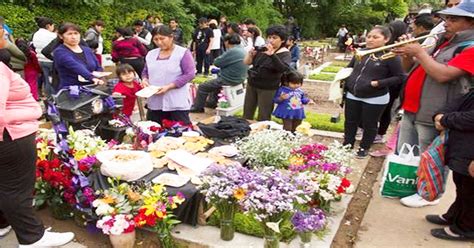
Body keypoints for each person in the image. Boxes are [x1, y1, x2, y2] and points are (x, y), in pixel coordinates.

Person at [393, 0, 474, 208]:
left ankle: (429, 193)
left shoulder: (470, 47)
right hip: (412, 106)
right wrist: (405, 53)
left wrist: (418, 52)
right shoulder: (443, 40)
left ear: (471, 23)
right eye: (447, 17)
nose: (446, 22)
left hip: (433, 110)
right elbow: (408, 69)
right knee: (407, 152)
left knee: (431, 156)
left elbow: (443, 75)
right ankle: (408, 186)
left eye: (453, 19)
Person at [0, 50, 75, 247]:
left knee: (5, 187)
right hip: (11, 136)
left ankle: (4, 223)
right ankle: (32, 238)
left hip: (9, 134)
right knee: (16, 190)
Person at [342, 26, 404, 158]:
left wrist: (378, 83)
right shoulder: (361, 53)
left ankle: (364, 147)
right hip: (353, 94)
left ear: (386, 39)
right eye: (369, 36)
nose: (370, 40)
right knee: (350, 121)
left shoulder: (391, 56)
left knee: (369, 124)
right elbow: (350, 69)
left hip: (375, 97)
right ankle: (347, 144)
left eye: (375, 37)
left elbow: (399, 77)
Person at [427, 90, 474, 241]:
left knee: (470, 192)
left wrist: (445, 119)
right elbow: (455, 104)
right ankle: (455, 216)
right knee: (461, 187)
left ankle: (466, 228)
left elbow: (470, 118)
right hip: (462, 149)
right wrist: (439, 116)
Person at [142, 26, 195, 125]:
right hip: (155, 100)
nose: (159, 42)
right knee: (154, 130)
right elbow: (145, 71)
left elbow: (189, 74)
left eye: (162, 38)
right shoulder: (151, 54)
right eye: (156, 39)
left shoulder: (182, 53)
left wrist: (170, 86)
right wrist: (144, 79)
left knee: (179, 131)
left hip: (176, 100)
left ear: (171, 37)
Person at [243, 25, 291, 121]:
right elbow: (247, 62)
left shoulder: (284, 53)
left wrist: (272, 55)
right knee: (247, 112)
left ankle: (262, 133)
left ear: (282, 40)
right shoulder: (263, 49)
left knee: (264, 115)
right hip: (252, 83)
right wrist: (250, 54)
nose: (271, 40)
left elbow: (283, 68)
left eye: (274, 38)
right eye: (269, 37)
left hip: (268, 87)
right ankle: (244, 131)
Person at [190, 33, 248, 113]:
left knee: (203, 87)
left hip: (229, 79)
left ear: (227, 42)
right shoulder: (242, 49)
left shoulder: (232, 51)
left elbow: (217, 62)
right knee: (214, 83)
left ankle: (198, 107)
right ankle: (212, 102)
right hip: (239, 78)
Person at [53, 23, 104, 89]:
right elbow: (75, 66)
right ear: (61, 36)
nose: (74, 37)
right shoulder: (60, 51)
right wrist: (91, 77)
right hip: (71, 91)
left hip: (92, 88)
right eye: (69, 34)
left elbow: (98, 66)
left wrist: (100, 75)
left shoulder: (87, 50)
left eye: (76, 33)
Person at [32, 16, 56, 98]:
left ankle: (49, 98)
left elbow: (34, 46)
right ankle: (55, 98)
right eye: (53, 25)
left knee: (47, 80)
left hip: (41, 61)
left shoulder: (35, 34)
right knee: (54, 81)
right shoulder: (52, 35)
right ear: (48, 26)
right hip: (51, 60)